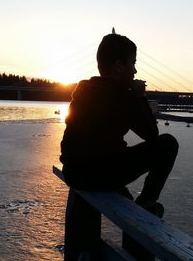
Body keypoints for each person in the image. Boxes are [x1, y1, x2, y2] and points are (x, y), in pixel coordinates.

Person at [60, 32, 179, 260]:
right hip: (99, 173)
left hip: (75, 172)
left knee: (111, 164)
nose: (135, 71)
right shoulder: (122, 96)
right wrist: (139, 96)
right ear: (118, 68)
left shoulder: (84, 90)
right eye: (133, 64)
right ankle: (147, 201)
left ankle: (85, 251)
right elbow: (151, 134)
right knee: (168, 144)